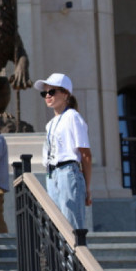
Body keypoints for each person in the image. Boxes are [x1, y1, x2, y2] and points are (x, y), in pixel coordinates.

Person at [34, 73, 93, 230]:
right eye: (44, 93)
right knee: (57, 225)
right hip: (52, 173)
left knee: (71, 225)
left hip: (68, 171)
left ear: (65, 93)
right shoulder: (50, 124)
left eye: (52, 92)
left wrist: (87, 187)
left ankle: (76, 255)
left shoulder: (73, 117)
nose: (47, 95)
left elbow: (85, 154)